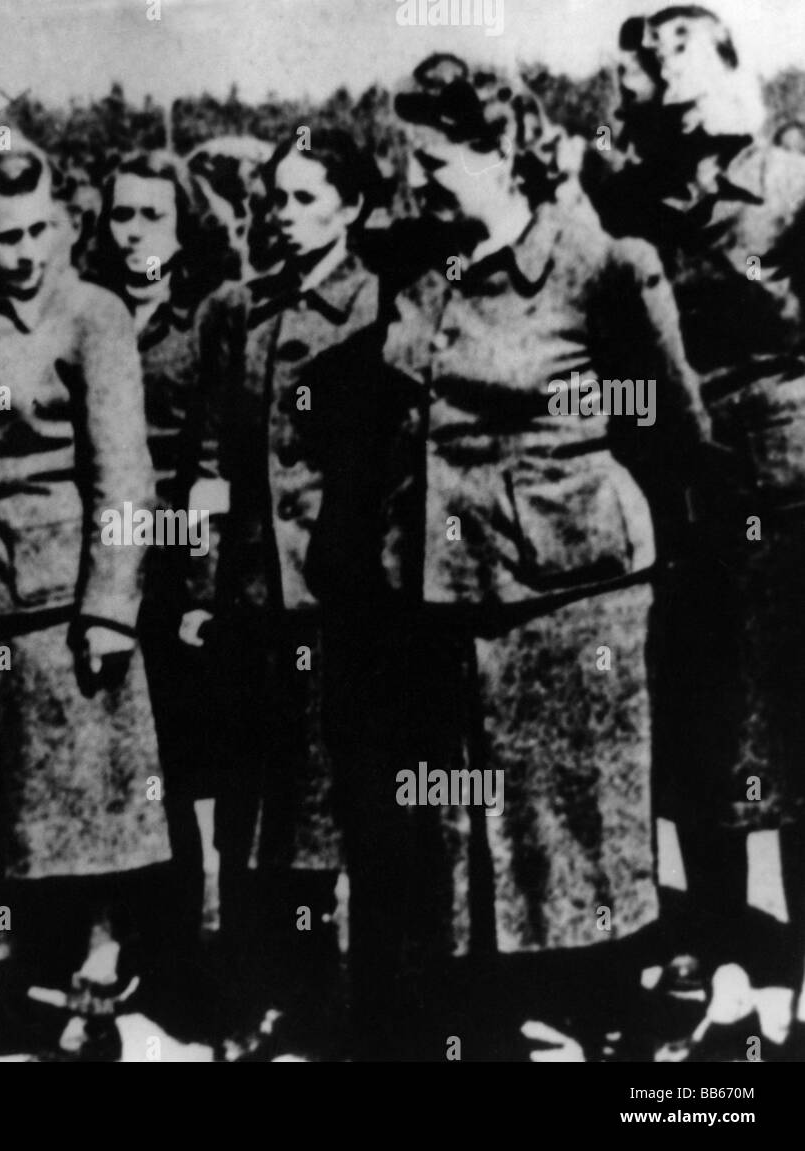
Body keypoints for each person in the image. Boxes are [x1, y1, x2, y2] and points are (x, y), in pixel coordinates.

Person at [366, 54, 713, 1060]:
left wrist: (595, 502)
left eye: (437, 159)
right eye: (411, 159)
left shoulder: (596, 261)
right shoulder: (426, 263)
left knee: (576, 811)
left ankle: (608, 1013)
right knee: (471, 809)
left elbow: (667, 417)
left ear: (506, 154)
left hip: (568, 591)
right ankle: (501, 1012)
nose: (419, 179)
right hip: (445, 584)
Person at [0, 140, 168, 1060]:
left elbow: (124, 473)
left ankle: (95, 979)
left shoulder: (94, 315)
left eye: (41, 229)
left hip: (57, 603)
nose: (25, 252)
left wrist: (111, 605)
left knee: (83, 804)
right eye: (3, 235)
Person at [595, 5, 805, 1032]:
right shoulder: (633, 203)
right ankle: (723, 960)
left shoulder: (789, 186)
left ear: (733, 70)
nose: (669, 84)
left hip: (787, 490)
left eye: (687, 63)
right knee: (706, 743)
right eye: (651, 72)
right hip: (682, 502)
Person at [189, 127, 381, 1059]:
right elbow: (207, 466)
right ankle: (269, 996)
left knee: (332, 814)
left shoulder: (380, 305)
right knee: (255, 813)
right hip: (254, 605)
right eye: (277, 199)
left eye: (309, 199)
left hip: (347, 607)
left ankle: (341, 1005)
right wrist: (200, 585)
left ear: (352, 207)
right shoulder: (239, 312)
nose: (287, 216)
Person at [90, 149, 238, 1035]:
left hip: (178, 572)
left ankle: (187, 967)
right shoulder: (90, 310)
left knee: (179, 778)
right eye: (121, 216)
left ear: (184, 226)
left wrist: (199, 586)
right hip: (104, 569)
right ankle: (113, 949)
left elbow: (213, 459)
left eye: (153, 215)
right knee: (114, 775)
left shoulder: (212, 314)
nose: (135, 231)